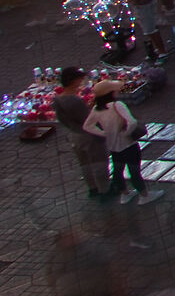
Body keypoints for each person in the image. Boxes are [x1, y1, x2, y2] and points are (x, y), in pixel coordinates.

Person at [82, 79, 160, 204]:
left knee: (118, 171)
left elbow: (87, 126)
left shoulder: (96, 109)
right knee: (134, 171)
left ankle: (125, 194)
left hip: (113, 146)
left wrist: (104, 134)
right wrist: (127, 133)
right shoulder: (117, 105)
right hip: (128, 144)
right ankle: (144, 195)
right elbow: (132, 122)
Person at [50, 67, 108, 198]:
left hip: (75, 135)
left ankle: (92, 188)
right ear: (73, 81)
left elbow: (62, 119)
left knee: (84, 163)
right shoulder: (74, 100)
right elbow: (88, 119)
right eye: (79, 79)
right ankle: (104, 190)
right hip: (89, 135)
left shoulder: (58, 100)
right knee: (98, 162)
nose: (82, 81)